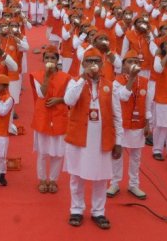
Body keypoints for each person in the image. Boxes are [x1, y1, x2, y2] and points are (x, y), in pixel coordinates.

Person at [63, 47, 124, 230]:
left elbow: (117, 116)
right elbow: (68, 100)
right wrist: (83, 78)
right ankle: (77, 209)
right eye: (89, 61)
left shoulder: (111, 85)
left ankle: (98, 211)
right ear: (83, 64)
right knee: (77, 176)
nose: (93, 65)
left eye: (97, 61)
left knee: (101, 178)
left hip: (102, 139)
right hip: (79, 137)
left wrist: (119, 142)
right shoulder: (75, 82)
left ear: (103, 64)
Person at [108, 50, 150, 200]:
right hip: (121, 123)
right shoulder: (117, 81)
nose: (134, 65)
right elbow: (123, 97)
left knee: (136, 156)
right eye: (130, 62)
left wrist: (148, 122)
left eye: (136, 62)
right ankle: (115, 182)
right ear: (124, 65)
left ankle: (133, 184)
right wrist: (131, 79)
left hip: (138, 124)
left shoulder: (145, 81)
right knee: (117, 154)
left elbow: (148, 102)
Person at [30, 47, 70, 194]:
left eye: (52, 58)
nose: (49, 61)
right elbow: (42, 94)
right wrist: (46, 77)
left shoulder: (66, 77)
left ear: (57, 60)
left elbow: (71, 98)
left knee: (58, 152)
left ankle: (53, 179)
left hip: (59, 116)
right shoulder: (37, 76)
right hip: (43, 117)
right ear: (43, 60)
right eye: (47, 58)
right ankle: (42, 179)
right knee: (43, 152)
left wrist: (59, 100)